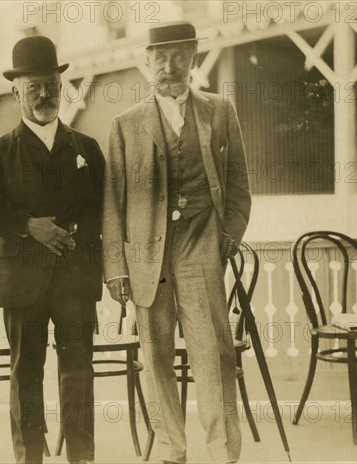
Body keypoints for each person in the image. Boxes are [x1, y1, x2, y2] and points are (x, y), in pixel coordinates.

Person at [102, 21, 252, 464]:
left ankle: (223, 453)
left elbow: (240, 185)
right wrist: (116, 267)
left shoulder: (219, 111)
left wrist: (229, 236)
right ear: (147, 62)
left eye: (179, 55)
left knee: (215, 356)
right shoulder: (124, 124)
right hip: (146, 256)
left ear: (194, 58)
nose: (170, 66)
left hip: (201, 247)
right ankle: (171, 450)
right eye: (160, 57)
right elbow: (112, 202)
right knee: (156, 357)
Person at [0, 36, 104, 464]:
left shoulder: (87, 149)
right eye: (34, 88)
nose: (45, 95)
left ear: (62, 86)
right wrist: (30, 227)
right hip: (21, 279)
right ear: (16, 93)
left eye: (51, 85)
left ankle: (81, 456)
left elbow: (105, 208)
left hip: (75, 277)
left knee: (78, 372)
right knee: (25, 373)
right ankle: (29, 457)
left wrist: (80, 236)